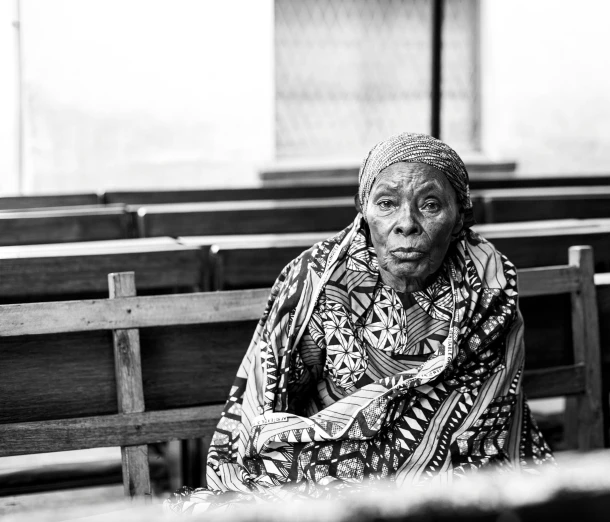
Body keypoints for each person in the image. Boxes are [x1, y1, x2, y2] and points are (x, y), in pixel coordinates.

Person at [166, 132, 554, 512]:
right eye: (386, 203)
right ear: (363, 211)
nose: (407, 223)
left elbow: (486, 429)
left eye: (431, 205)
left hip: (461, 475)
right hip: (331, 474)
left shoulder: (488, 289)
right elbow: (265, 404)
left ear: (459, 218)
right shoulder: (318, 283)